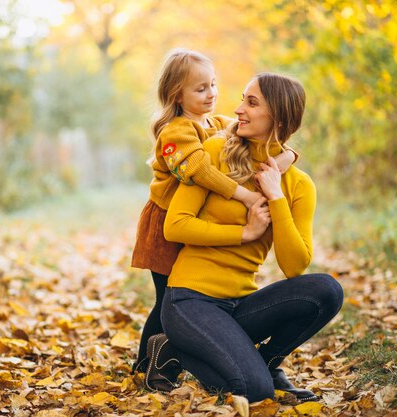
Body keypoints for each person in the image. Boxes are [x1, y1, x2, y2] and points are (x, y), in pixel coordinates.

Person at [145, 73, 344, 403]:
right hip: (190, 300)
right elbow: (176, 226)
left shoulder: (298, 185)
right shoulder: (213, 152)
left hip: (239, 306)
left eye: (251, 103)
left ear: (279, 117)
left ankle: (266, 361)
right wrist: (245, 233)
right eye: (241, 99)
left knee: (326, 289)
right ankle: (174, 347)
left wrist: (276, 197)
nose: (238, 109)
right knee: (256, 391)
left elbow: (295, 266)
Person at [131, 49, 298, 373]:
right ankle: (147, 365)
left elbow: (260, 137)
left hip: (196, 217)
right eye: (201, 89)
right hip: (166, 220)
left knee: (185, 293)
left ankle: (184, 351)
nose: (212, 94)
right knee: (167, 299)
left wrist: (287, 157)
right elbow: (199, 170)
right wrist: (245, 197)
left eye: (213, 85)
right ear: (177, 94)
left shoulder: (219, 123)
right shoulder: (175, 131)